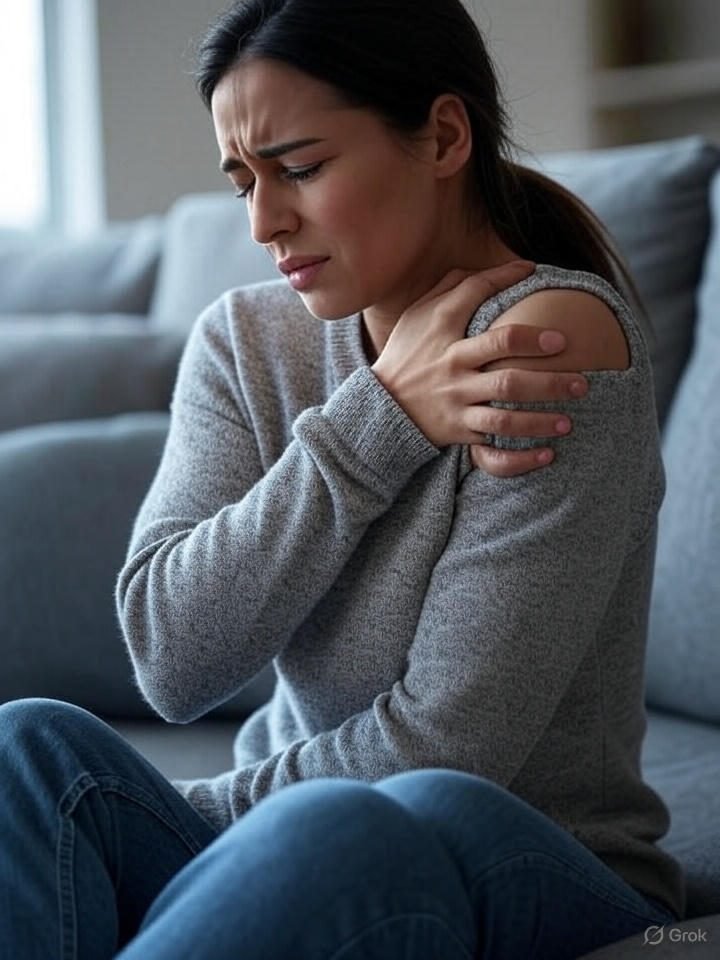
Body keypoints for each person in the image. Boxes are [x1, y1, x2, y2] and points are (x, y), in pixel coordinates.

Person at [0, 1, 684, 957]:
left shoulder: (548, 342)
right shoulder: (248, 342)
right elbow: (169, 658)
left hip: (533, 861)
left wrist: (196, 813)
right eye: (243, 181)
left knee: (335, 826)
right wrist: (382, 416)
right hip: (298, 832)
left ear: (444, 135)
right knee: (27, 750)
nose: (264, 222)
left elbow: (452, 754)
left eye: (302, 168)